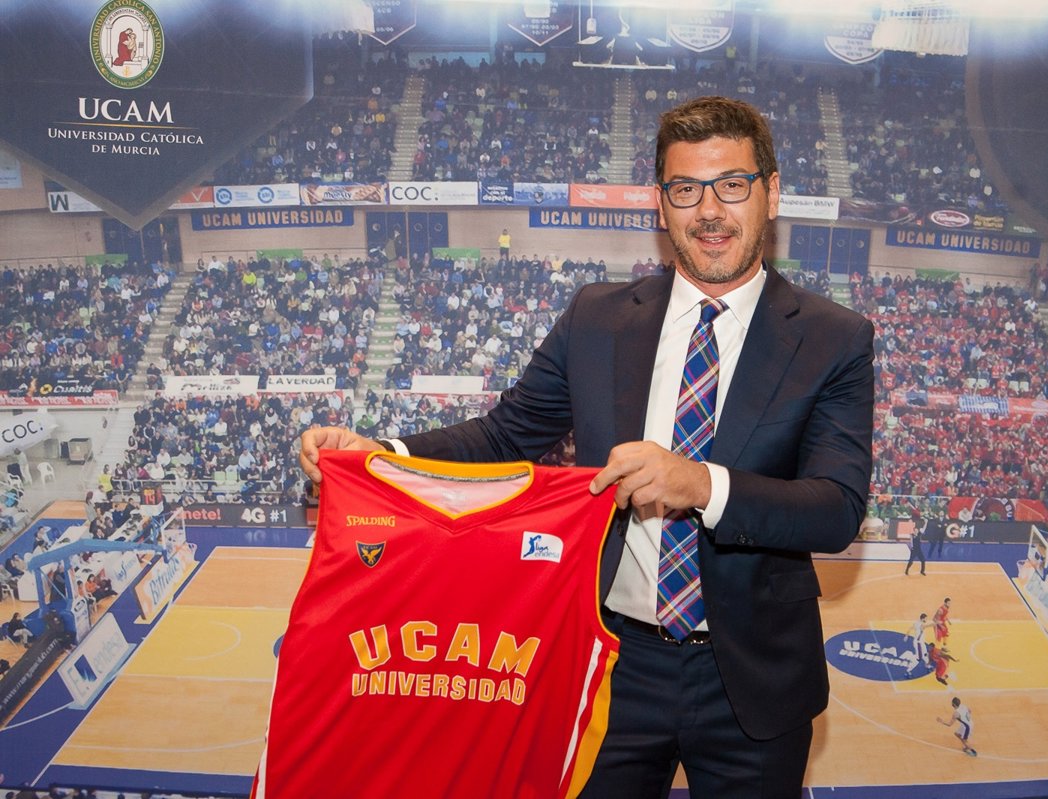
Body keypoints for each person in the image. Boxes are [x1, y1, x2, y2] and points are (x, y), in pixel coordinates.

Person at [300, 95, 876, 797]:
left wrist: (701, 484)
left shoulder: (833, 337)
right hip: (609, 665)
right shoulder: (597, 317)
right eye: (686, 189)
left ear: (771, 193)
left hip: (755, 682)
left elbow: (835, 507)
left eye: (731, 185)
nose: (709, 211)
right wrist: (378, 454)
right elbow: (506, 435)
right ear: (660, 205)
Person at [905, 511, 926, 575]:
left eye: (917, 530)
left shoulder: (919, 534)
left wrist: (926, 523)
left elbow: (924, 529)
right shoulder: (912, 535)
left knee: (923, 560)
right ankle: (906, 570)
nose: (916, 531)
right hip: (914, 549)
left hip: (919, 549)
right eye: (915, 530)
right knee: (911, 561)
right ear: (914, 530)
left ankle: (922, 571)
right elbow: (911, 541)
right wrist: (911, 547)